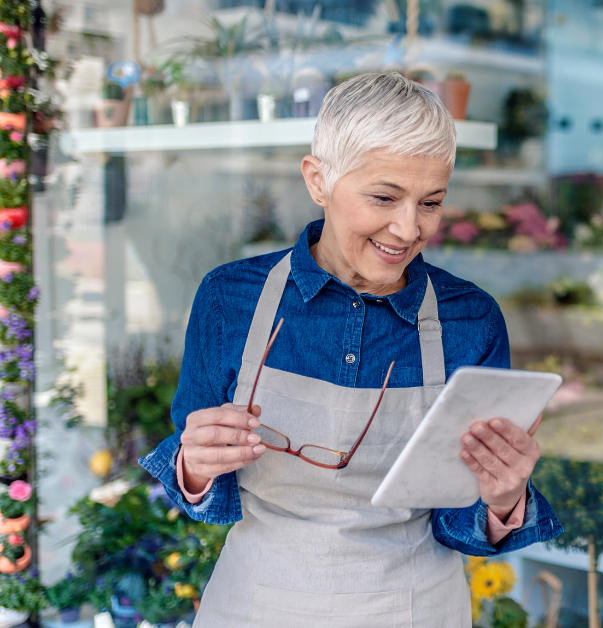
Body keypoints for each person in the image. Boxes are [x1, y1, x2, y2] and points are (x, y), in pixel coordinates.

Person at [139, 72, 562, 627]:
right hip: (255, 603)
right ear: (318, 180)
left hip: (414, 609)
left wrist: (505, 497)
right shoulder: (230, 299)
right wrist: (194, 465)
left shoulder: (471, 320)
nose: (408, 228)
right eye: (384, 197)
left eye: (430, 202)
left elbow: (462, 524)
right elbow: (195, 487)